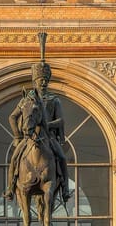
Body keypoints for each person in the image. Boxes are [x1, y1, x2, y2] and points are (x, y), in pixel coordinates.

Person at [4, 61, 70, 205]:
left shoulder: (54, 100)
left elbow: (60, 120)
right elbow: (12, 117)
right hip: (29, 138)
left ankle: (65, 188)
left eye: (46, 80)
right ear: (35, 82)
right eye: (41, 80)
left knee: (62, 157)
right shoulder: (26, 100)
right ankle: (10, 187)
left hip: (49, 137)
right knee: (14, 159)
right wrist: (17, 136)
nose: (44, 83)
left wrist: (48, 124)